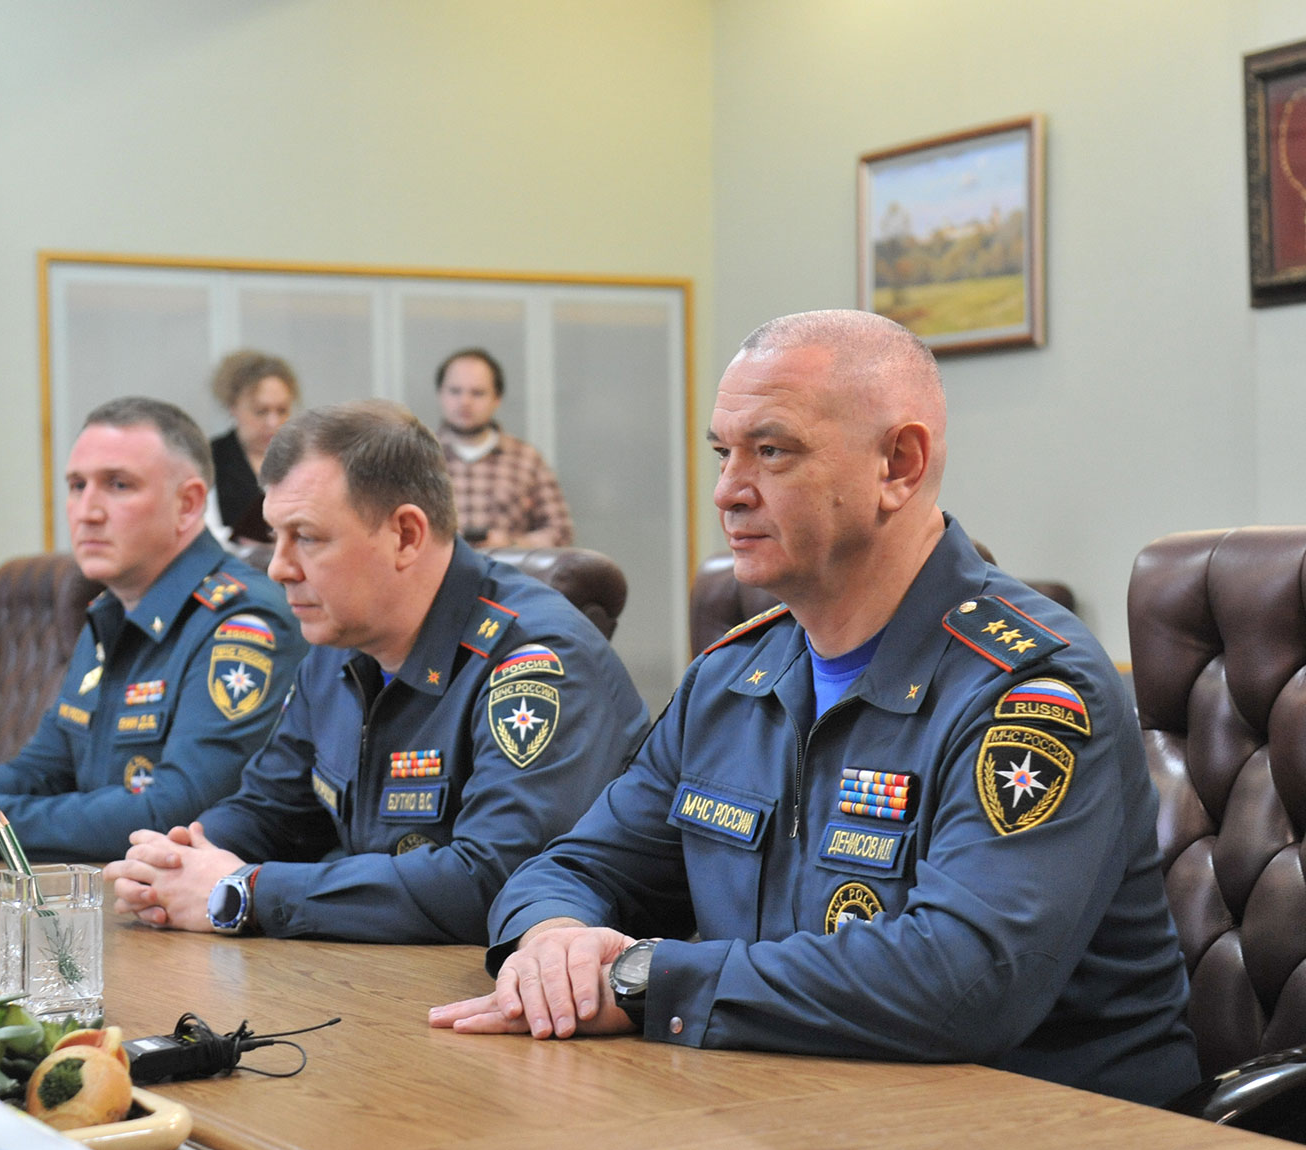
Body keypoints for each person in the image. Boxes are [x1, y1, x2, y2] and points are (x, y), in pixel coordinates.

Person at [430, 311, 1199, 1106]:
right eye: (723, 453)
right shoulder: (730, 679)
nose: (728, 491)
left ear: (899, 465)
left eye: (772, 451)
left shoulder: (1029, 689)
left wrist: (643, 978)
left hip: (1040, 1121)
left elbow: (963, 981)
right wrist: (552, 944)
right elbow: (573, 868)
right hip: (791, 1102)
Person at [102, 400, 649, 943]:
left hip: (511, 982)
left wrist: (246, 891)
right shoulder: (340, 642)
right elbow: (271, 809)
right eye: (274, 537)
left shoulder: (535, 659)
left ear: (406, 535)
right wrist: (175, 864)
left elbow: (495, 880)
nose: (279, 568)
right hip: (373, 971)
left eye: (306, 537)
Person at [0, 397, 306, 862]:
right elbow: (47, 765)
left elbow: (178, 813)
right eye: (77, 486)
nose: (87, 511)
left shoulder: (242, 622)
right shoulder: (112, 609)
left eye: (118, 485)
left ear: (187, 505)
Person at [434, 348, 574, 549]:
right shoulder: (420, 457)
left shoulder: (526, 458)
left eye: (477, 393)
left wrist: (512, 544)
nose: (465, 402)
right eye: (455, 391)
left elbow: (561, 531)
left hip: (507, 567)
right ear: (440, 394)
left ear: (497, 399)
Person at [207, 349, 298, 545]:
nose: (273, 422)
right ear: (233, 407)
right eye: (261, 411)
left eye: (282, 411)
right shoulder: (210, 459)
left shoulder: (302, 459)